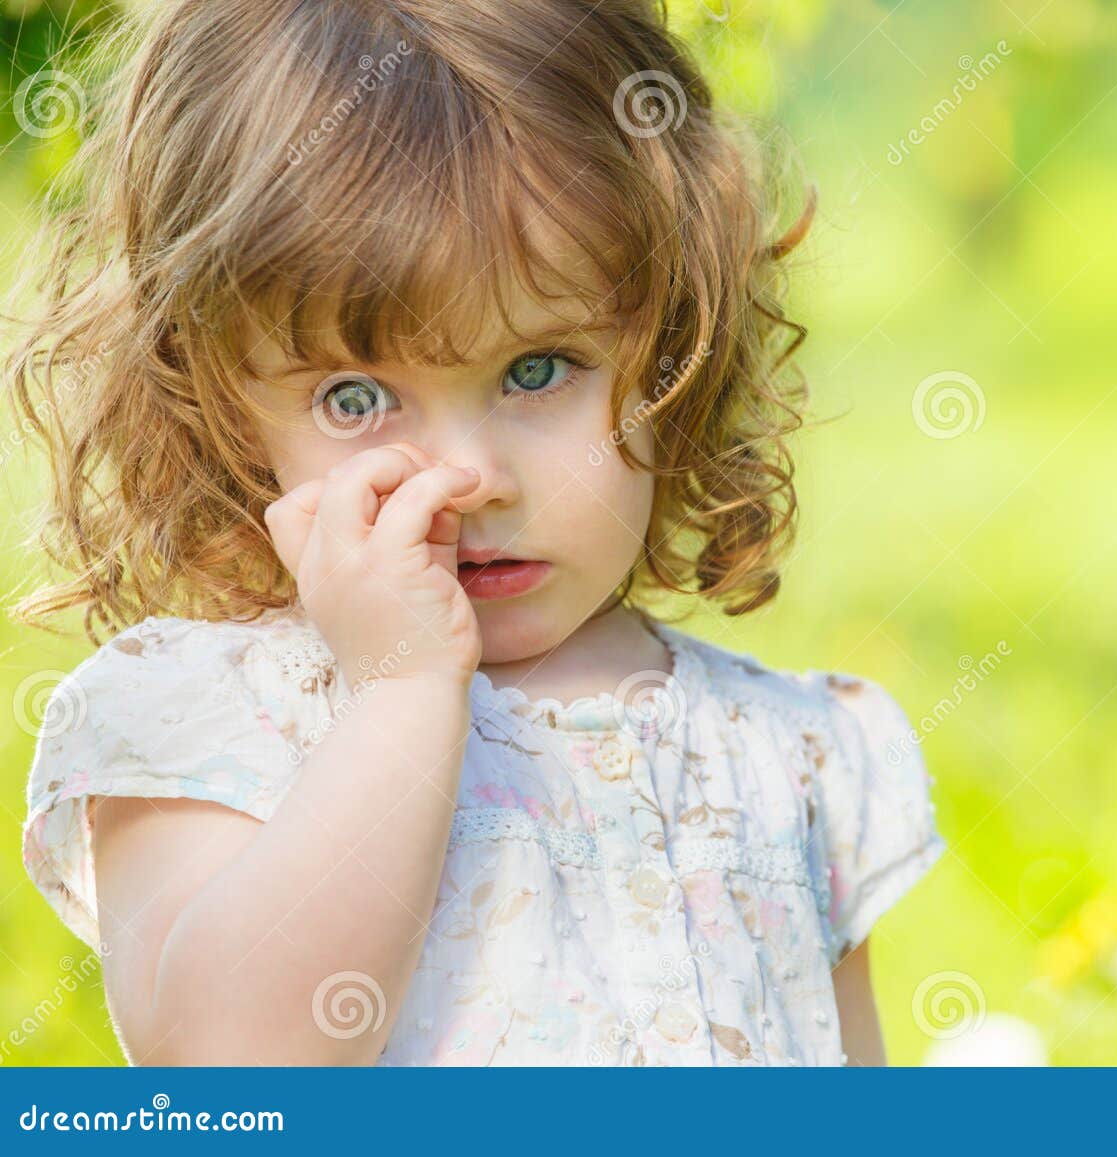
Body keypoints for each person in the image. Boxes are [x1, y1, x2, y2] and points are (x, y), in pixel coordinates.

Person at [8, 0, 943, 1066]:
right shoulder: (209, 722)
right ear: (217, 398)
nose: (473, 481)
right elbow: (231, 1074)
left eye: (537, 369)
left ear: (676, 339)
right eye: (357, 396)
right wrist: (402, 688)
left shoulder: (787, 751)